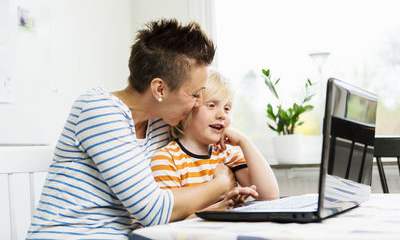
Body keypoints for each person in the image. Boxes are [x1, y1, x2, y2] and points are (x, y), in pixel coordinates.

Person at [27, 19, 257, 239]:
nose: (198, 102)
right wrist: (221, 184)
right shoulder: (98, 110)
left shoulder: (160, 123)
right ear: (160, 89)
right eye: (194, 94)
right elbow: (154, 210)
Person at [151, 68, 279, 218]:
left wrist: (245, 142)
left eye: (227, 108)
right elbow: (167, 219)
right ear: (187, 110)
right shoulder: (166, 159)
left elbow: (269, 196)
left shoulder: (227, 154)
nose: (222, 115)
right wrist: (217, 209)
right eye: (211, 105)